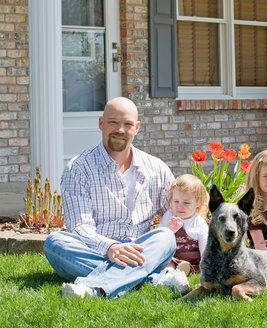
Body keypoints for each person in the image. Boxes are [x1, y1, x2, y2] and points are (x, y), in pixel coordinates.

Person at [43, 97, 189, 298]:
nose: (120, 129)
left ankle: (94, 288)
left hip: (140, 249)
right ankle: (154, 279)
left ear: (136, 128)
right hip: (96, 250)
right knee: (55, 243)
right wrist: (110, 247)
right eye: (113, 122)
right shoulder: (78, 169)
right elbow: (79, 227)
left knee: (164, 237)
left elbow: (179, 216)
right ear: (101, 123)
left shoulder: (157, 169)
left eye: (127, 124)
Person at [160, 174, 209, 275]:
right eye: (176, 201)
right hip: (174, 258)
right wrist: (171, 230)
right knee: (169, 262)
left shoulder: (199, 221)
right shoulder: (169, 216)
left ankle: (186, 269)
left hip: (194, 260)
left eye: (186, 203)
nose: (180, 206)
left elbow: (205, 245)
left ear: (198, 202)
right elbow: (161, 239)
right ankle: (170, 274)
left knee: (199, 265)